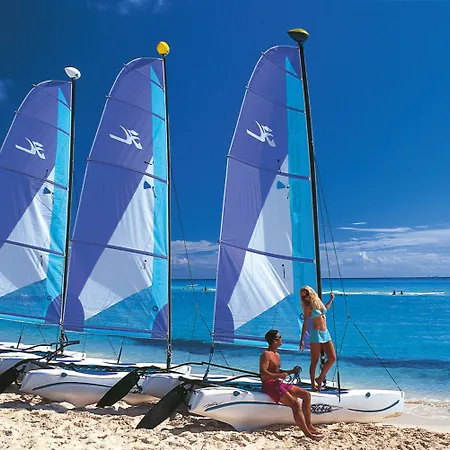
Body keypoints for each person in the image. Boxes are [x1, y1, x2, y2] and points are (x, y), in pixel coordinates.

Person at [260, 329, 324, 441]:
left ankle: (309, 425)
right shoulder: (266, 354)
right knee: (295, 404)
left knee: (306, 395)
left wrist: (291, 371)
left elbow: (277, 371)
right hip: (269, 384)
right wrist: (278, 376)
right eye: (280, 337)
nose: (281, 339)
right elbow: (263, 373)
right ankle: (308, 434)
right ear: (275, 341)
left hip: (278, 382)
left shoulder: (277, 355)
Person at [300, 286, 336, 392]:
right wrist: (302, 339)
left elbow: (325, 309)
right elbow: (305, 323)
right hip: (316, 334)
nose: (306, 298)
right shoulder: (308, 307)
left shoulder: (318, 302)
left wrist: (331, 300)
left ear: (311, 293)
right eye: (303, 297)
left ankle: (320, 378)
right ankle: (313, 384)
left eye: (307, 295)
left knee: (332, 358)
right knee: (315, 360)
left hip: (326, 333)